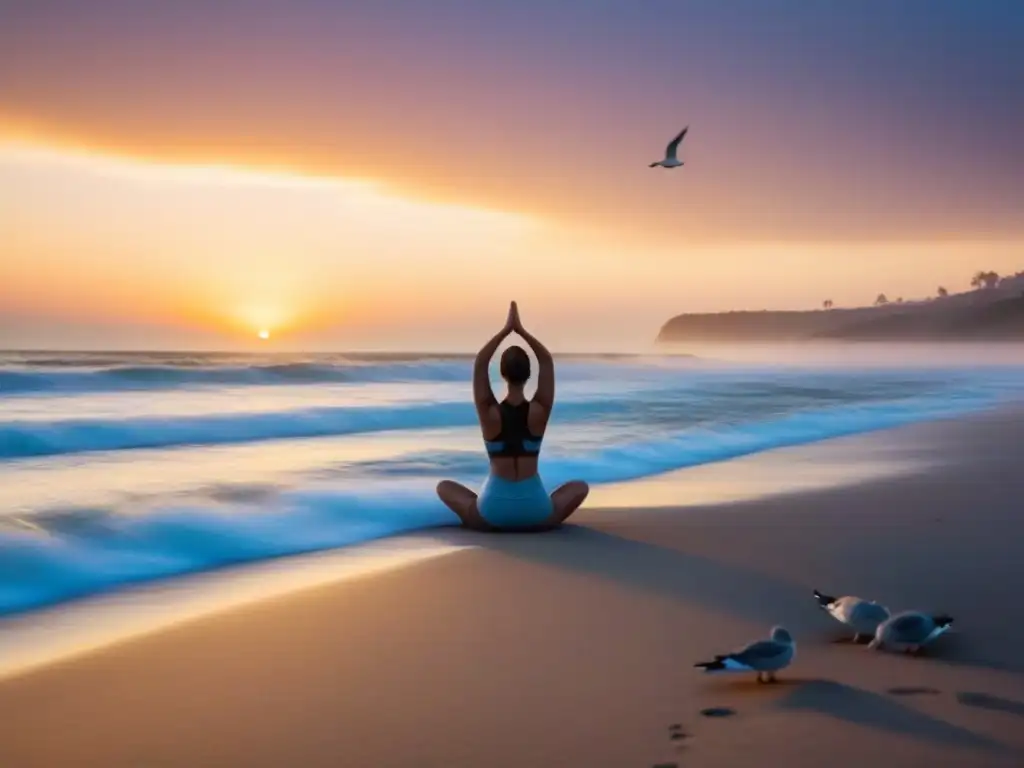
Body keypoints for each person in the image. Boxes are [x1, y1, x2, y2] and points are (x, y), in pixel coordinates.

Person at [436, 301, 589, 531]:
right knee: (579, 487)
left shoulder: (489, 412)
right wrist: (522, 332)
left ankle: (482, 520)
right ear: (529, 374)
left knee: (444, 487)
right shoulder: (540, 410)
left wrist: (505, 331)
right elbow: (546, 361)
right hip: (535, 509)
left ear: (502, 373)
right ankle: (541, 521)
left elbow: (480, 363)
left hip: (492, 510)